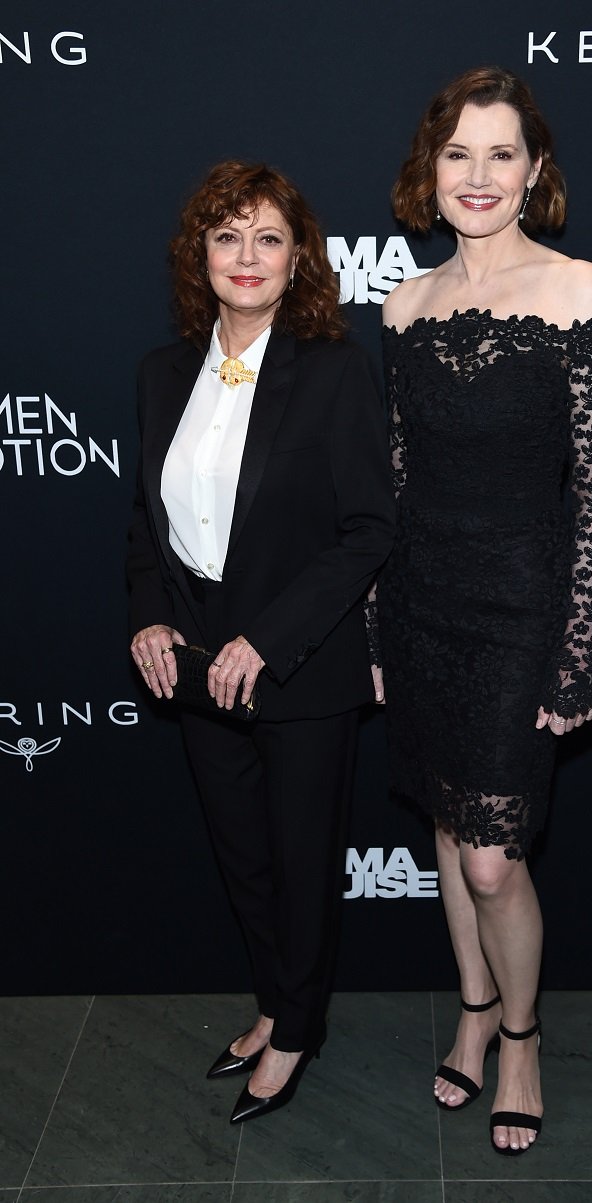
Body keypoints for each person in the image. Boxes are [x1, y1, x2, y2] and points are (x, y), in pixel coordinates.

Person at [375, 68, 592, 1155]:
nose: (477, 176)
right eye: (456, 154)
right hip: (421, 604)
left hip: (522, 609)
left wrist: (576, 658)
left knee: (491, 857)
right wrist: (379, 632)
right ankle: (471, 1010)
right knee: (441, 828)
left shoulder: (579, 289)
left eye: (500, 154)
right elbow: (390, 487)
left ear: (534, 172)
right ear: (429, 173)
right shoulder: (402, 305)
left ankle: (518, 1031)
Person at [127, 160, 394, 1125]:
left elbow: (370, 527)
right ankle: (273, 1000)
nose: (247, 256)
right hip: (196, 667)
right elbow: (147, 521)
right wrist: (149, 611)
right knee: (241, 857)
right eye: (228, 235)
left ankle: (297, 1032)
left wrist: (266, 639)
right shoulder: (163, 374)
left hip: (299, 668)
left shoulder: (332, 370)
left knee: (300, 859)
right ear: (200, 254)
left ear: (298, 260)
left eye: (269, 237)